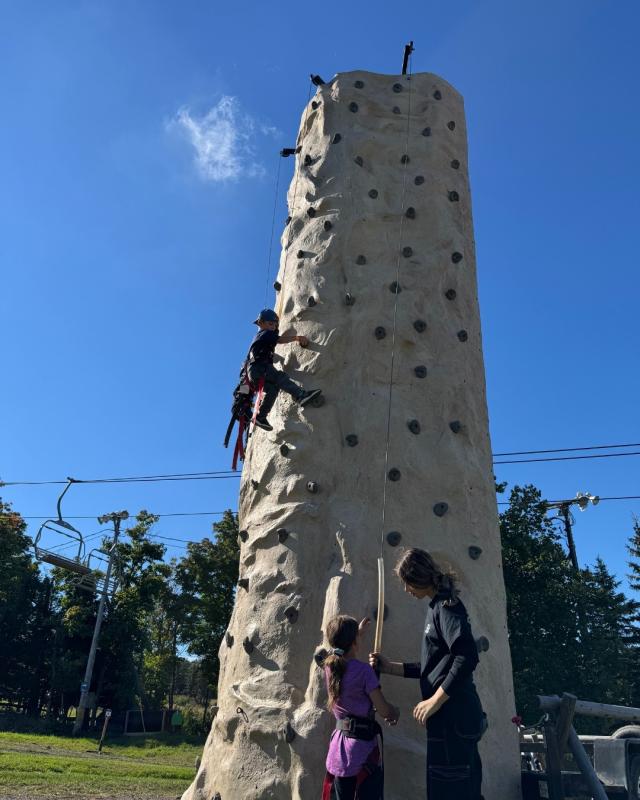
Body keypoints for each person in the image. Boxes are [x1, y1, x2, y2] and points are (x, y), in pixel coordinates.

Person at [370, 549, 486, 800]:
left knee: (452, 792)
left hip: (453, 720)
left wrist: (435, 701)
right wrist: (389, 667)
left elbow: (467, 656)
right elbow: (433, 667)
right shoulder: (436, 607)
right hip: (449, 722)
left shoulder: (446, 606)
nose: (406, 590)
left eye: (406, 583)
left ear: (417, 578)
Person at [322, 615, 400, 800]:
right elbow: (383, 710)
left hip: (338, 750)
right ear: (354, 641)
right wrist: (394, 712)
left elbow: (341, 650)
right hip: (361, 753)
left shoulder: (330, 668)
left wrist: (357, 634)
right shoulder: (364, 671)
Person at [246, 308, 321, 431]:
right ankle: (300, 395)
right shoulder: (265, 333)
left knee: (273, 388)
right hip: (260, 367)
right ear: (261, 323)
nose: (273, 327)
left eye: (275, 325)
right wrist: (297, 338)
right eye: (270, 324)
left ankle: (261, 416)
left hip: (254, 373)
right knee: (280, 377)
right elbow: (279, 340)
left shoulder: (260, 338)